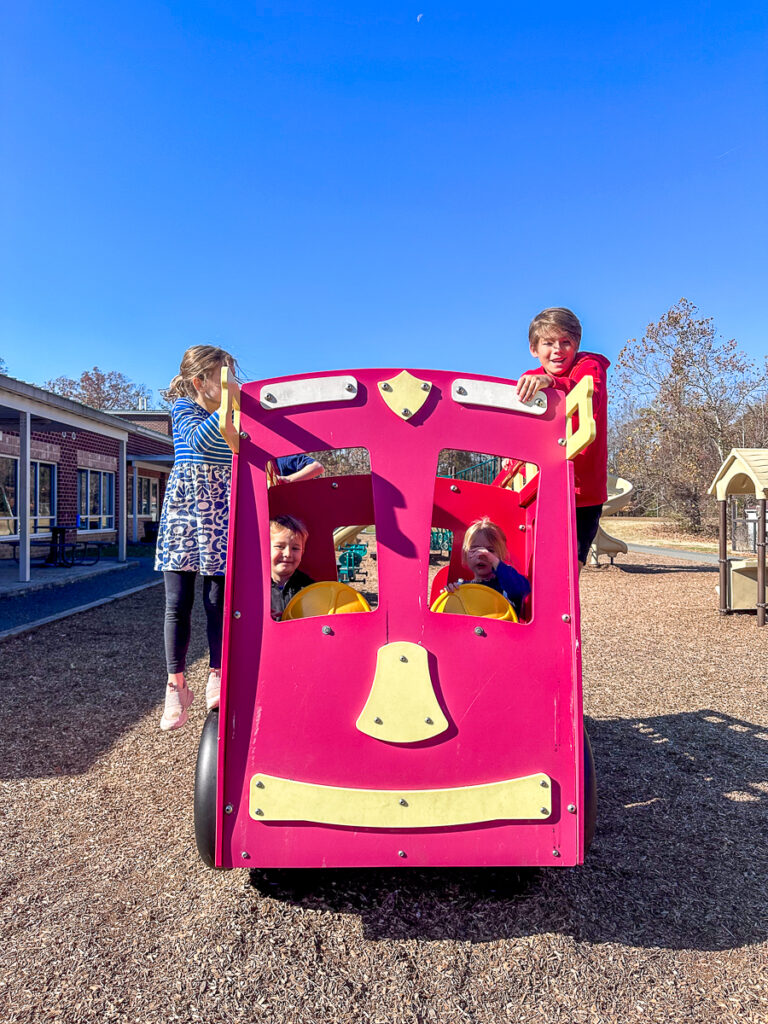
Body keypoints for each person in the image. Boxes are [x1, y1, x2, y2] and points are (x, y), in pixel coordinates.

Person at [155, 346, 241, 730]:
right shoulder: (184, 410)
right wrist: (232, 403)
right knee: (178, 602)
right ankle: (175, 684)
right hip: (184, 518)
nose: (232, 384)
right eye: (224, 377)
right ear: (200, 382)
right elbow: (201, 443)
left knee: (217, 600)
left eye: (233, 376)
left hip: (220, 516)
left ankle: (217, 672)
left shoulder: (234, 416)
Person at [515, 307, 610, 569]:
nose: (557, 350)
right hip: (541, 488)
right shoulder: (530, 379)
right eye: (548, 343)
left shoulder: (588, 366)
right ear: (534, 349)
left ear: (576, 344)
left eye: (565, 342)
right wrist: (513, 462)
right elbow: (522, 429)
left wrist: (552, 383)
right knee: (533, 563)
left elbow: (590, 396)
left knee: (569, 569)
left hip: (583, 492)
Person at [446, 517, 530, 615]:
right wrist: (450, 596)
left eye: (490, 551)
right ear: (465, 554)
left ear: (501, 556)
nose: (481, 555)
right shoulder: (461, 588)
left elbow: (521, 589)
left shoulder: (507, 586)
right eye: (475, 550)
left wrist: (495, 562)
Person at [270, 514, 315, 620]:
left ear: (302, 552)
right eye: (280, 547)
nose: (288, 554)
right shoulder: (255, 587)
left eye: (295, 548)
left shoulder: (310, 589)